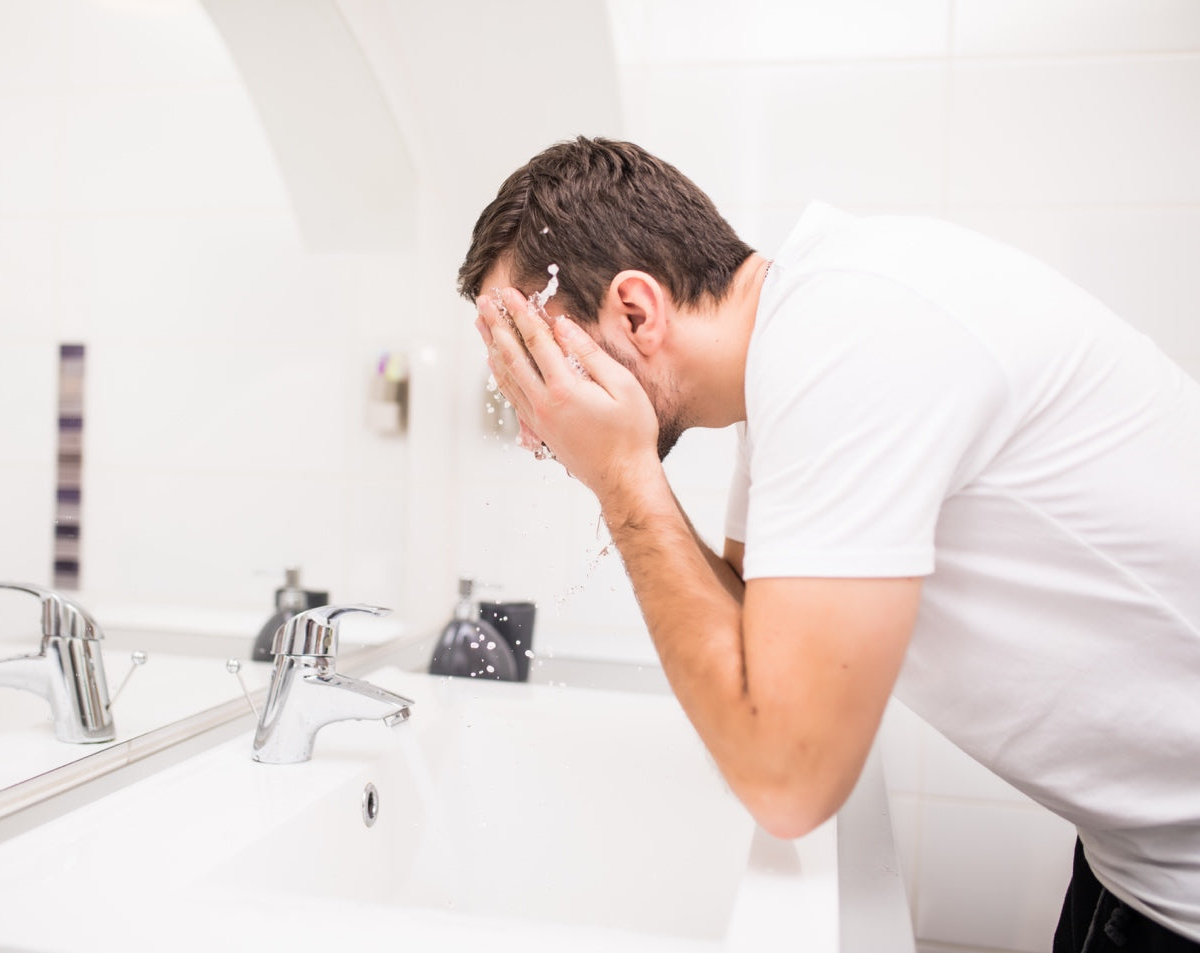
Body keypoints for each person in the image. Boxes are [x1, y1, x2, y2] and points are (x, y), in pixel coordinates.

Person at [460, 137, 1200, 950]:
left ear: (635, 310)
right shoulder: (798, 344)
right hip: (1133, 863)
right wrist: (625, 471)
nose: (534, 428)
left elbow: (787, 779)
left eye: (535, 361)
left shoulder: (846, 341)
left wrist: (622, 478)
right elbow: (749, 639)